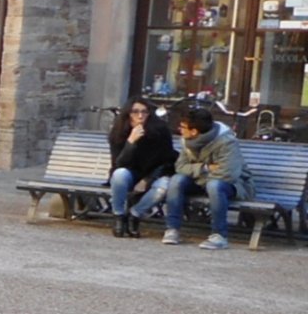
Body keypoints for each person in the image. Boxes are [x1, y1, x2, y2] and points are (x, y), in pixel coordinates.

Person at [154, 106, 256, 250]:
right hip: (205, 180)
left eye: (183, 127)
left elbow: (228, 174)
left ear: (194, 131)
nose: (179, 129)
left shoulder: (226, 142)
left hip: (235, 184)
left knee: (214, 186)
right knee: (177, 180)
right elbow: (180, 167)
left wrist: (197, 175)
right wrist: (205, 168)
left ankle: (219, 235)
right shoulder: (187, 141)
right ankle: (172, 229)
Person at [107, 99, 177, 238]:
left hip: (154, 174)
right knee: (119, 175)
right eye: (135, 112)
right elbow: (119, 164)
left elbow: (167, 161)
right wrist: (130, 142)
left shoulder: (160, 130)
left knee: (164, 186)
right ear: (128, 114)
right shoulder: (119, 131)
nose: (140, 116)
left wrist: (148, 180)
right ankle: (119, 216)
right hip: (129, 173)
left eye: (144, 112)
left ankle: (135, 214)